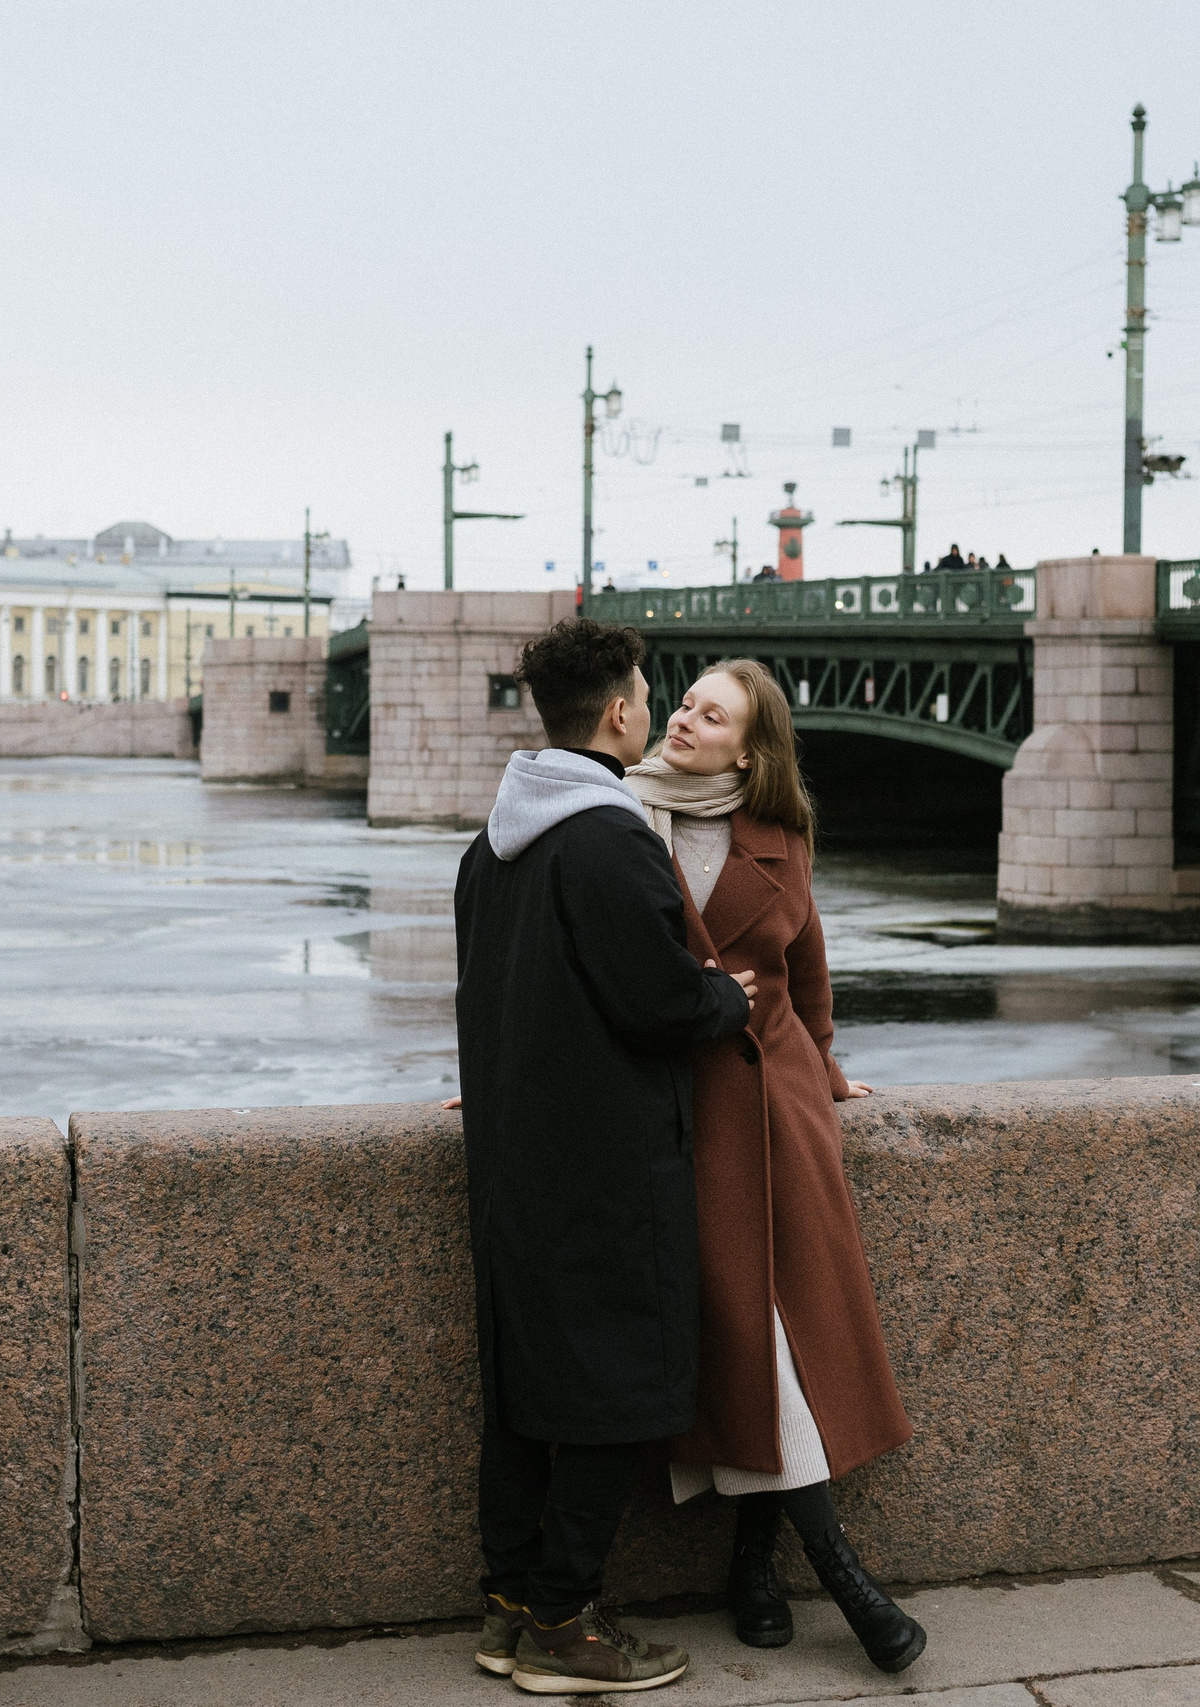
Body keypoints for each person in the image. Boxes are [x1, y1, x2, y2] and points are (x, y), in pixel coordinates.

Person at [451, 618, 757, 1695]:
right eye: (649, 697)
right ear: (621, 713)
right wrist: (725, 999)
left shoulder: (491, 845)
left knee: (523, 1394)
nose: (653, 712)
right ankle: (564, 1625)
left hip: (511, 1165)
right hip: (604, 1168)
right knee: (611, 1390)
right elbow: (656, 1001)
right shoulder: (610, 840)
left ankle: (507, 1605)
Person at [625, 660, 929, 1677]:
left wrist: (827, 1075)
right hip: (687, 1113)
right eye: (683, 703)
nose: (683, 719)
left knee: (781, 1338)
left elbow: (807, 975)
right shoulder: (623, 819)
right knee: (747, 1339)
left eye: (710, 715)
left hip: (775, 1106)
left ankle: (753, 1569)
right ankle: (846, 1581)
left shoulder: (779, 838)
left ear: (749, 750)